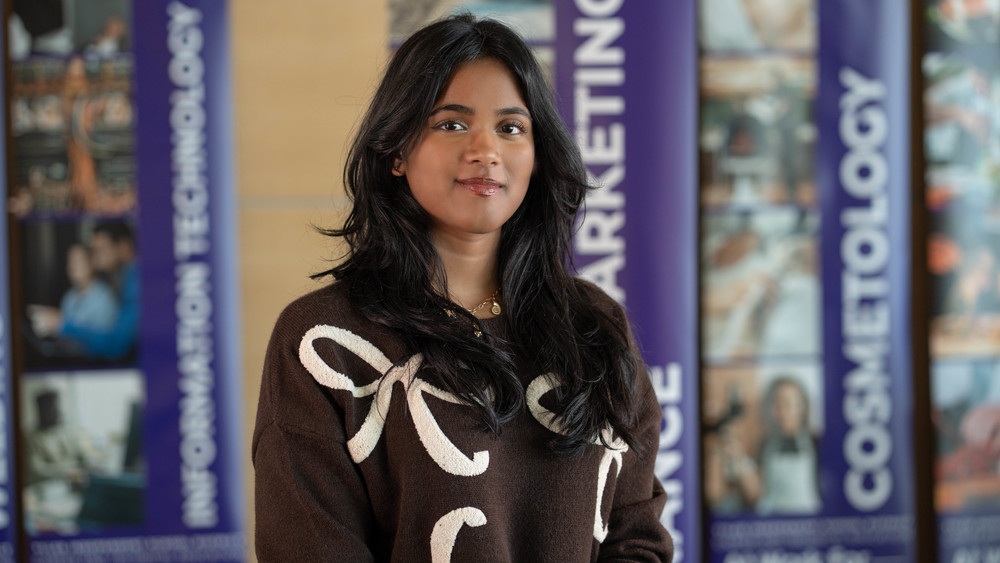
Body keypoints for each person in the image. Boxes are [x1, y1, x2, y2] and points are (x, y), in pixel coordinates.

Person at [252, 14, 673, 562]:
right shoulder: (324, 341)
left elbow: (635, 537)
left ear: (538, 154)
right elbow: (307, 546)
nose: (486, 150)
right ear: (398, 150)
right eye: (452, 124)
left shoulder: (594, 326)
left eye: (511, 127)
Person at [28, 221, 139, 361]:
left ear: (123, 245)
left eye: (102, 249)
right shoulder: (124, 280)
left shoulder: (136, 284)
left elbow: (116, 344)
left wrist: (63, 325)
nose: (97, 258)